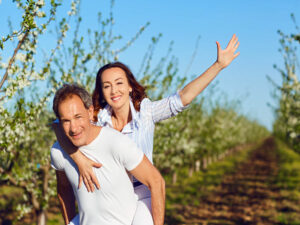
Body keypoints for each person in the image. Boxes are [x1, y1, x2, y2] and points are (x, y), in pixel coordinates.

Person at [53, 34, 240, 225]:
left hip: (141, 193)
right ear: (101, 92)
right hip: (111, 197)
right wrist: (78, 158)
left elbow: (183, 97)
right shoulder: (97, 118)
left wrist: (218, 65)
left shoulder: (146, 113)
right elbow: (59, 126)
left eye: (119, 83)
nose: (114, 91)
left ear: (129, 87)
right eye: (106, 86)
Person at [51, 84, 165, 225]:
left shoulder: (115, 142)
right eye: (66, 121)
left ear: (90, 111)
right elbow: (64, 189)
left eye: (78, 117)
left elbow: (156, 181)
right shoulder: (58, 152)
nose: (74, 128)